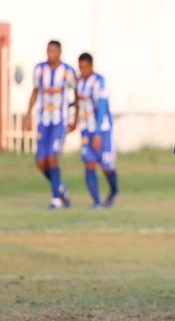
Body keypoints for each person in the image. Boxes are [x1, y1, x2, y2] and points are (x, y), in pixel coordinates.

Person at [24, 40, 78, 209]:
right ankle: (60, 186)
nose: (51, 54)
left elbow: (76, 94)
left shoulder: (68, 71)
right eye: (49, 50)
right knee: (41, 162)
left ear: (60, 52)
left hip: (59, 120)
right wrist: (28, 115)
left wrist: (75, 119)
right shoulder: (39, 69)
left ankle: (56, 198)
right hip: (43, 120)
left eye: (54, 51)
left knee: (52, 157)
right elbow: (35, 91)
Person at [77, 52, 118, 208]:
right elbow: (77, 103)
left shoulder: (100, 81)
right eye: (80, 67)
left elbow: (101, 107)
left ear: (91, 66)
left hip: (102, 130)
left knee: (107, 167)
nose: (83, 70)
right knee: (89, 163)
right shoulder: (79, 82)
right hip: (86, 129)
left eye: (85, 67)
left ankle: (114, 190)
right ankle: (97, 202)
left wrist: (98, 133)